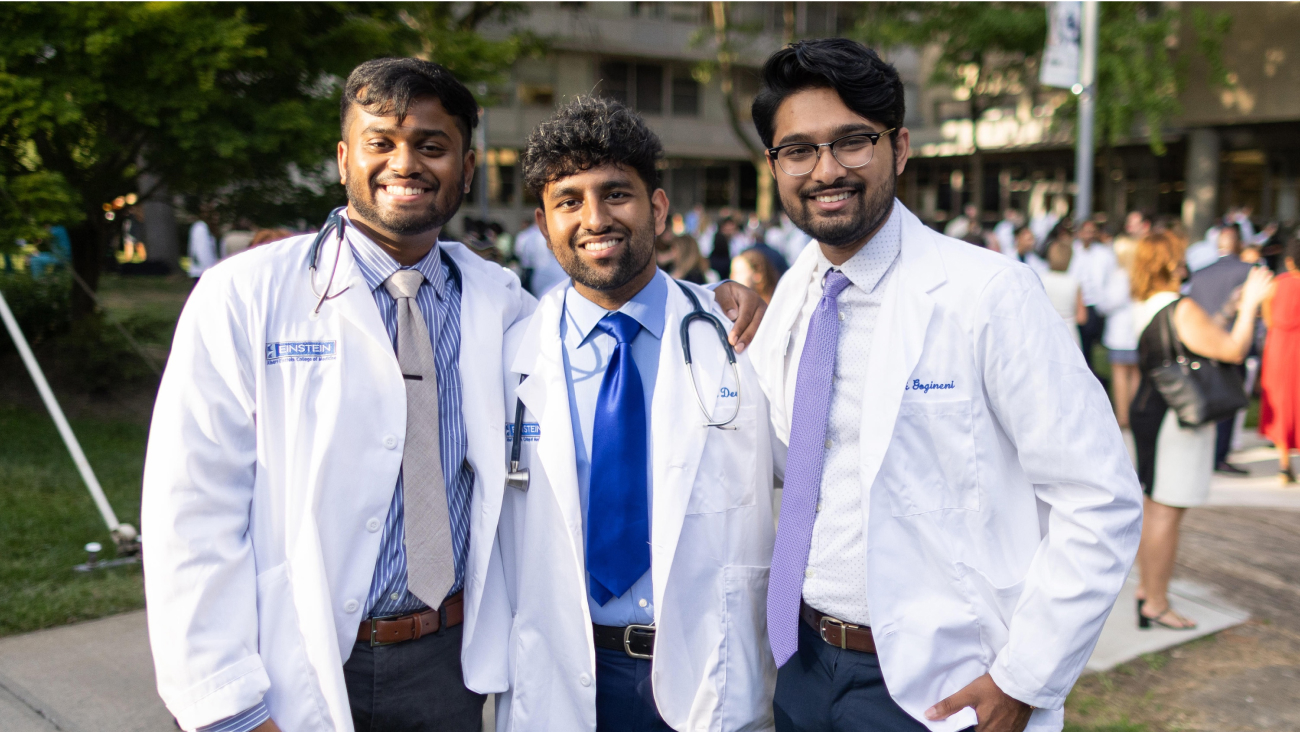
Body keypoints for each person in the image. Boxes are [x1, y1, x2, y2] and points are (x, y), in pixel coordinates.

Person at [142, 56, 775, 732]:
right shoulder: (244, 297)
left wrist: (722, 298)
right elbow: (190, 512)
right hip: (299, 661)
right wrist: (225, 706)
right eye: (380, 142)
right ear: (343, 159)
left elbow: (620, 309)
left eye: (432, 145)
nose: (405, 163)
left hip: (450, 667)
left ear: (466, 169)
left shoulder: (499, 305)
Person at [747, 39, 1142, 732]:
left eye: (852, 142)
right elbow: (787, 460)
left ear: (899, 148)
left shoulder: (988, 294)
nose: (826, 170)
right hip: (802, 665)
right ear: (775, 165)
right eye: (799, 150)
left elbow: (1099, 496)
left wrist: (1024, 677)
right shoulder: (795, 295)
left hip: (935, 689)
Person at [483, 95, 777, 731]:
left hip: (705, 676)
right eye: (569, 200)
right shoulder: (507, 356)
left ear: (659, 208)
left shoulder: (738, 338)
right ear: (542, 222)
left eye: (616, 193)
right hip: (563, 675)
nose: (595, 218)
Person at [1128, 231, 1272, 630]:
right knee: (1166, 512)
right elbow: (1232, 350)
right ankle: (1156, 602)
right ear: (1172, 262)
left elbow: (1191, 343)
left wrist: (1228, 310)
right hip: (1178, 421)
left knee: (1158, 507)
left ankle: (1148, 593)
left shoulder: (1146, 303)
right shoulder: (1181, 306)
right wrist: (1251, 309)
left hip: (1155, 411)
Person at [1187, 223, 1255, 474]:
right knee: (1229, 403)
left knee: (1205, 399)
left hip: (1203, 343)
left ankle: (1206, 454)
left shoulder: (1200, 273)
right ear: (1238, 244)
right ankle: (1220, 456)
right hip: (1234, 343)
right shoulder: (1249, 270)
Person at [1260, 236, 1300, 484]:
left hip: (1279, 346)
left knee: (1282, 402)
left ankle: (1284, 464)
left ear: (1288, 260)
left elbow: (1268, 319)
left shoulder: (1275, 284)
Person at [1068, 219, 1116, 376]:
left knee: (1089, 344)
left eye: (1091, 232)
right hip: (1073, 303)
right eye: (1085, 231)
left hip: (1093, 304)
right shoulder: (1072, 250)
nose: (1088, 235)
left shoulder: (1103, 254)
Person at [1037, 240, 1086, 349]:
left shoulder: (1042, 278)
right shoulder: (1074, 282)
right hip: (1069, 331)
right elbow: (1082, 317)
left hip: (1046, 330)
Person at [515, 217, 569, 296]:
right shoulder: (547, 235)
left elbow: (519, 252)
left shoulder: (525, 235)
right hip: (545, 269)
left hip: (530, 270)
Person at [187, 211, 219, 280]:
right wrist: (209, 267)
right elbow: (202, 250)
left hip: (203, 269)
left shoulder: (204, 229)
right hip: (201, 270)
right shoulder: (201, 228)